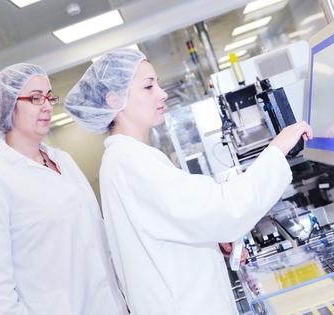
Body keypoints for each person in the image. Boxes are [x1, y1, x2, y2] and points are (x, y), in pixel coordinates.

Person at [64, 48, 312, 314]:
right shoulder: (130, 162)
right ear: (114, 100)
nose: (162, 93)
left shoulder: (129, 158)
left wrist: (211, 238)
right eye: (148, 86)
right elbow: (226, 208)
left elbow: (178, 221)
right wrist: (278, 148)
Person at [0, 63, 127, 315]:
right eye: (36, 98)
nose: (47, 105)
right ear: (9, 105)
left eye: (49, 97)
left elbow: (97, 236)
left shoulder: (63, 160)